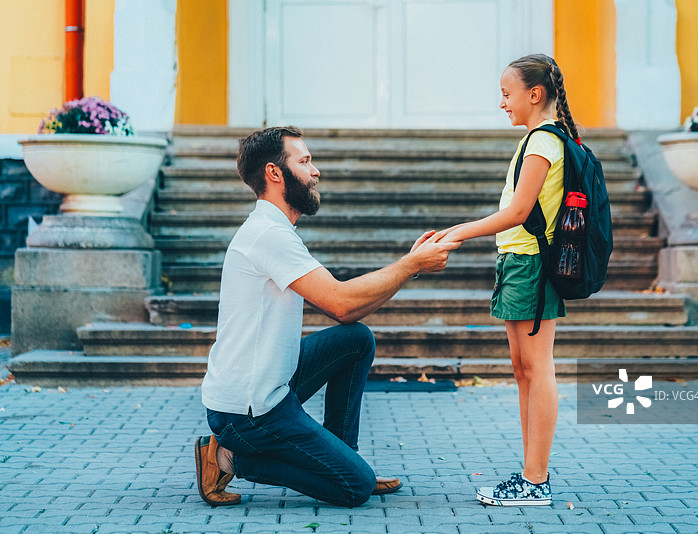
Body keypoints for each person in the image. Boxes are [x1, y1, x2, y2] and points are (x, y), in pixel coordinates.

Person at [195, 126, 460, 508]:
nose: (315, 171)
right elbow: (342, 303)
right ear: (274, 173)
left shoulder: (273, 230)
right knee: (354, 487)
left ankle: (343, 455)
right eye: (304, 162)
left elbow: (352, 313)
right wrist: (409, 264)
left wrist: (411, 267)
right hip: (247, 412)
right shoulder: (268, 235)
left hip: (269, 385)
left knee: (354, 339)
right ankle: (230, 457)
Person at [439, 54, 579, 506]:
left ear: (534, 94)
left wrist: (456, 231)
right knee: (524, 370)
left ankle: (535, 481)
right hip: (519, 261)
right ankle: (530, 474)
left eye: (506, 94)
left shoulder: (543, 142)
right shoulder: (537, 140)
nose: (502, 103)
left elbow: (517, 213)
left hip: (532, 265)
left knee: (537, 369)